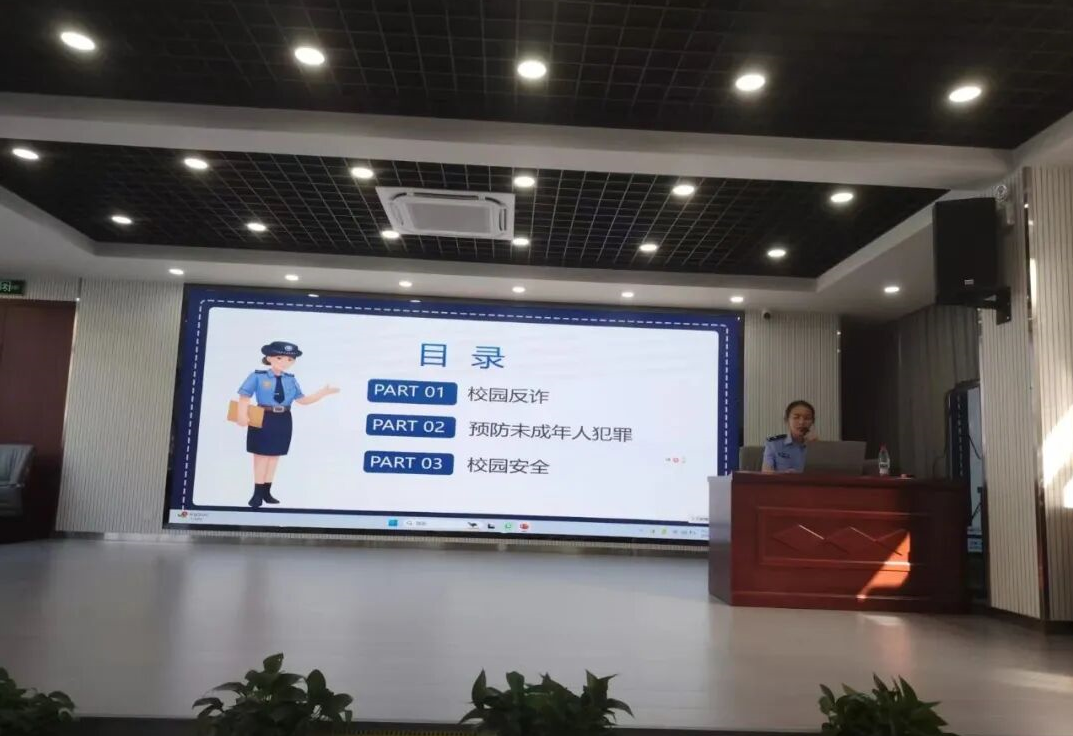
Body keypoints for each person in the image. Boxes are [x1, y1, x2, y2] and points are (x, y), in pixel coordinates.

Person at [235, 341, 339, 508]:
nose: (285, 362)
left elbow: (302, 400)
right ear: (269, 358)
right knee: (261, 456)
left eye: (290, 359)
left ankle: (266, 492)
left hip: (283, 419)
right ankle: (257, 494)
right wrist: (241, 415)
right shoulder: (257, 376)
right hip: (263, 416)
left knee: (274, 457)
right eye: (279, 358)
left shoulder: (290, 380)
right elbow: (244, 396)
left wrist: (322, 393)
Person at [761, 400, 819, 473]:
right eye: (796, 417)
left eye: (807, 418)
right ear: (787, 420)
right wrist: (785, 474)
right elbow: (766, 472)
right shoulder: (773, 444)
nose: (801, 422)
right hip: (782, 480)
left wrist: (816, 446)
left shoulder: (818, 446)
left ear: (812, 422)